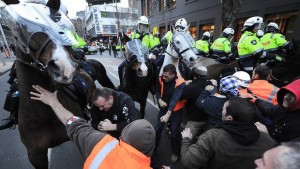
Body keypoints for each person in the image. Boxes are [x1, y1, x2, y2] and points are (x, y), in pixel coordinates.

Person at [29, 85, 155, 169]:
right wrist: (100, 128)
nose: (100, 109)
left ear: (111, 98)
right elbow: (93, 124)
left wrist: (113, 126)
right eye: (98, 107)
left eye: (103, 106)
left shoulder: (125, 100)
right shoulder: (96, 107)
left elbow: (74, 124)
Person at [181, 97, 275, 169]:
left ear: (229, 118)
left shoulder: (212, 137)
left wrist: (186, 139)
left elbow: (188, 162)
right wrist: (266, 135)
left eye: (224, 109)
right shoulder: (267, 140)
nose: (222, 109)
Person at [154, 64, 186, 163]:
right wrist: (159, 99)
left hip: (176, 109)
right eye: (163, 75)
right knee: (158, 128)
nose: (164, 78)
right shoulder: (161, 78)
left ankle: (176, 152)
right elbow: (157, 90)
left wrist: (168, 114)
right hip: (164, 106)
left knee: (174, 131)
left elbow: (175, 99)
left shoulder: (180, 82)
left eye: (166, 76)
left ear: (173, 75)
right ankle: (153, 149)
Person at [117, 16, 157, 86]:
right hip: (135, 58)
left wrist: (153, 53)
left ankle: (152, 86)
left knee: (154, 68)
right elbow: (128, 45)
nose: (143, 27)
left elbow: (155, 46)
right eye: (142, 25)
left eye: (145, 25)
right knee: (120, 67)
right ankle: (121, 85)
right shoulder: (133, 34)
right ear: (139, 25)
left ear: (147, 26)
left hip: (145, 58)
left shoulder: (149, 36)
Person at [180, 66, 214, 140]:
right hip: (207, 119)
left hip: (194, 120)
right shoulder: (211, 85)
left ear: (195, 76)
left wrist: (184, 84)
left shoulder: (192, 87)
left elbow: (180, 96)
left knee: (186, 140)